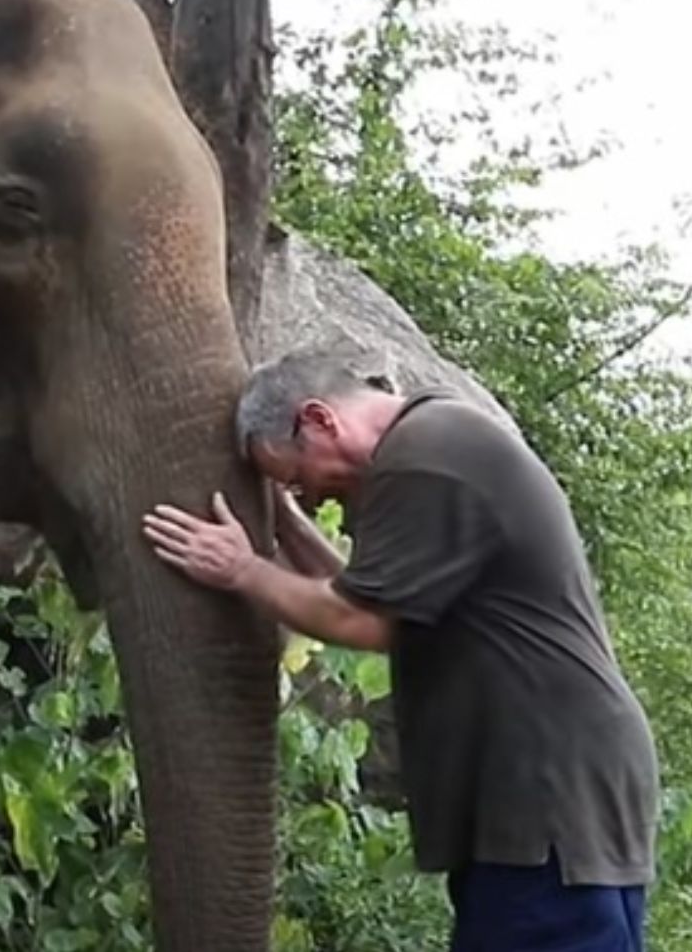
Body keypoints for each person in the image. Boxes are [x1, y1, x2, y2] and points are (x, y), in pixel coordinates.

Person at [141, 347, 659, 952]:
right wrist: (283, 526)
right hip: (560, 793)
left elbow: (366, 620)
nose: (304, 495)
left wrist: (241, 571)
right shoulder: (439, 439)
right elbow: (376, 599)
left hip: (543, 803)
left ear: (318, 419)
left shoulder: (424, 459)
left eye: (293, 477)